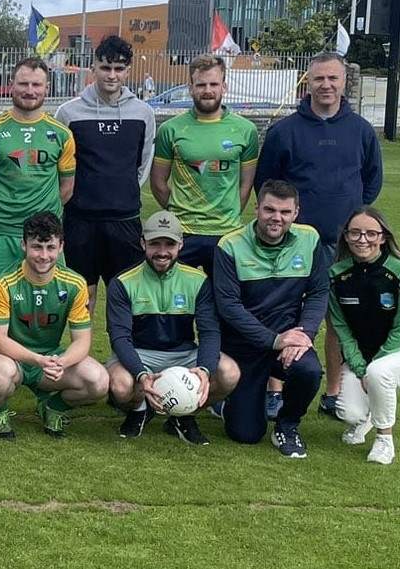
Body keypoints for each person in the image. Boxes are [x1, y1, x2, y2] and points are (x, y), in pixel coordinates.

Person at [255, 51, 382, 418]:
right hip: (296, 244)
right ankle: (275, 388)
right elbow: (268, 185)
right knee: (286, 313)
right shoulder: (284, 131)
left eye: (333, 79)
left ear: (344, 83)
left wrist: (349, 217)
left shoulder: (360, 130)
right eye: (319, 79)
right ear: (307, 83)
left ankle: (334, 391)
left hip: (346, 244)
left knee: (340, 318)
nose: (326, 85)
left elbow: (371, 181)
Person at [214, 179, 328, 457]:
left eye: (285, 212)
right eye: (270, 210)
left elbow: (319, 291)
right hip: (246, 347)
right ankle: (228, 403)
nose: (277, 218)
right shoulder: (229, 246)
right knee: (245, 434)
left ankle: (287, 425)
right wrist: (273, 339)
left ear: (296, 213)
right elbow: (229, 306)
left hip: (290, 343)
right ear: (257, 209)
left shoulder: (310, 239)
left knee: (310, 370)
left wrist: (305, 335)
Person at [106, 211, 241, 445]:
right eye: (155, 243)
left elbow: (209, 332)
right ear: (142, 243)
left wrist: (205, 370)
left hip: (184, 354)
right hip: (140, 354)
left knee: (230, 373)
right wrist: (141, 373)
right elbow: (119, 337)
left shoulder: (198, 281)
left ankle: (184, 415)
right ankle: (140, 409)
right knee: (120, 385)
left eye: (169, 244)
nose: (162, 251)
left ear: (180, 245)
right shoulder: (122, 282)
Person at [0, 212, 108, 439]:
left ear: (61, 247)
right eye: (37, 247)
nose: (44, 255)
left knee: (98, 381)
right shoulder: (2, 281)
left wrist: (62, 362)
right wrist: (37, 360)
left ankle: (53, 408)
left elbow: (83, 340)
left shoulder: (75, 283)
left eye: (50, 247)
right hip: (11, 358)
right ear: (23, 245)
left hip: (50, 358)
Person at [54, 36, 156, 304]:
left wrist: (121, 193)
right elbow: (61, 166)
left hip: (125, 222)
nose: (112, 75)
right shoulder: (68, 113)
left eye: (119, 68)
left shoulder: (143, 113)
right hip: (80, 222)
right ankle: (82, 348)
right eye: (105, 67)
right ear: (93, 68)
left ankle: (120, 348)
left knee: (123, 299)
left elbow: (142, 163)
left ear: (128, 71)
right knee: (82, 299)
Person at [329, 207, 400, 465]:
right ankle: (366, 417)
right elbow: (342, 330)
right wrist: (361, 368)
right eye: (356, 233)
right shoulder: (336, 275)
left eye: (371, 233)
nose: (363, 239)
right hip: (361, 359)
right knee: (348, 413)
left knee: (380, 373)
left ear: (383, 237)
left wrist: (371, 369)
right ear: (346, 237)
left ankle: (385, 440)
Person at [149, 54, 258, 276]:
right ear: (191, 88)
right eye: (201, 84)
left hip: (226, 232)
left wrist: (229, 213)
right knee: (179, 303)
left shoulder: (246, 130)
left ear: (224, 86)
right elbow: (158, 182)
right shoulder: (170, 129)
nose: (207, 90)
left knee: (223, 302)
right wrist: (178, 211)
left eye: (214, 84)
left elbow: (246, 185)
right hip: (183, 231)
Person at [0, 56, 75, 278]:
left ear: (47, 88)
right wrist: (3, 213)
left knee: (48, 307)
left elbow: (66, 189)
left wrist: (43, 219)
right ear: (11, 85)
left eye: (36, 84)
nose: (30, 90)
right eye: (23, 84)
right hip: (1, 233)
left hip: (45, 236)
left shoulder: (62, 134)